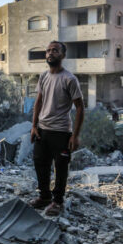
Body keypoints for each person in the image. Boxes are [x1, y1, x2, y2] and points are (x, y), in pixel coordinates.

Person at [29, 41, 85, 216]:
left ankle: (58, 201)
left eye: (55, 50)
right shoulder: (44, 76)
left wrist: (74, 136)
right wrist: (34, 125)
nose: (50, 53)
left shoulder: (69, 79)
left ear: (63, 55)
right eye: (48, 50)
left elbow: (80, 107)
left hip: (61, 131)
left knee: (60, 168)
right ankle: (44, 196)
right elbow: (38, 101)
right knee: (40, 164)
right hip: (42, 129)